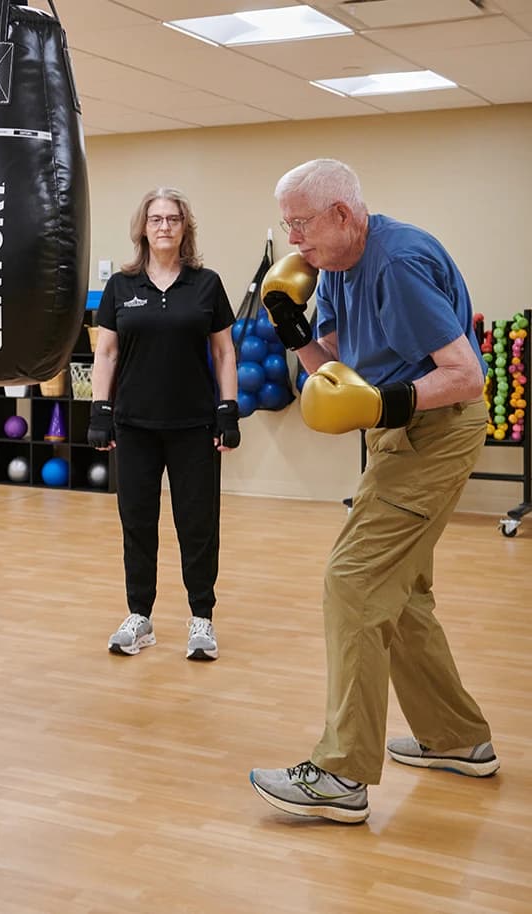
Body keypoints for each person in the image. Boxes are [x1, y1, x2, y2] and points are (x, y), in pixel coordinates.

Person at [249, 158, 498, 824]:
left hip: (436, 430)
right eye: (286, 225)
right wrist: (289, 324)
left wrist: (385, 406)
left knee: (353, 581)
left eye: (301, 224)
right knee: (400, 593)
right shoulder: (335, 269)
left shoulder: (396, 264)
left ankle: (340, 773)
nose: (293, 240)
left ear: (342, 214)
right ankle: (457, 739)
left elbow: (466, 375)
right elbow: (336, 375)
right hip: (405, 432)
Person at [89, 187, 239, 661]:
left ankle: (202, 618)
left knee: (197, 524)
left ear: (184, 227)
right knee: (137, 522)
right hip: (135, 425)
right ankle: (140, 616)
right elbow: (107, 352)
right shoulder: (121, 287)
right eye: (156, 219)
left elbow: (223, 351)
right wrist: (100, 410)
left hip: (194, 425)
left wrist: (228, 408)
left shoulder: (207, 284)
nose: (164, 226)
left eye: (173, 219)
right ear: (143, 228)